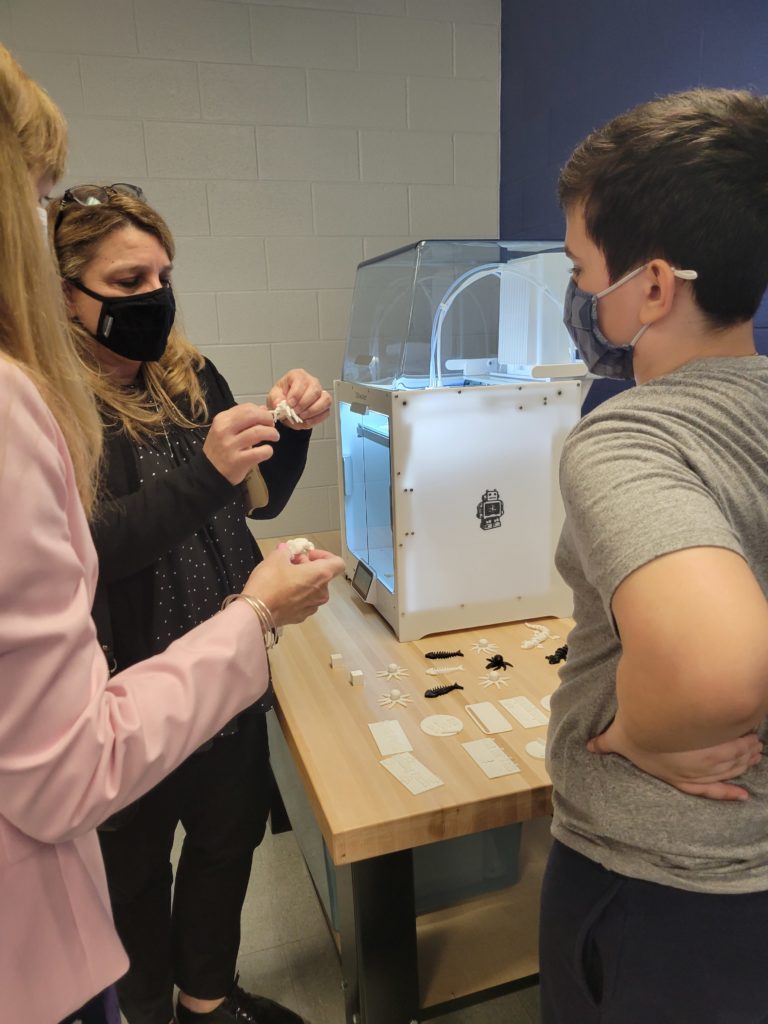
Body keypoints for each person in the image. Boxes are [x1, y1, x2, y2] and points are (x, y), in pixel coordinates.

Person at [0, 46, 345, 1024]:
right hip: (129, 687)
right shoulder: (49, 403)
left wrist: (291, 428)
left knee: (227, 849)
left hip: (226, 670)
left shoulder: (191, 375)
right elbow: (90, 552)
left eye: (163, 273)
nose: (156, 293)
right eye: (129, 277)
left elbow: (260, 499)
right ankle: (151, 1006)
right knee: (134, 875)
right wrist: (207, 474)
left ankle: (208, 999)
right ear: (64, 289)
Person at [541, 87, 768, 1023]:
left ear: (654, 288)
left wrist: (639, 732)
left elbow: (716, 665)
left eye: (581, 269)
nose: (577, 296)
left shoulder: (630, 438)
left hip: (661, 891)